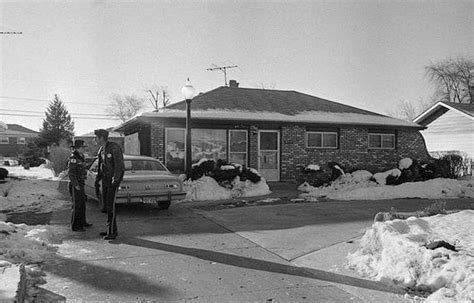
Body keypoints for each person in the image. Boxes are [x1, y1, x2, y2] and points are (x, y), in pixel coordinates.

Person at [94, 129, 124, 240]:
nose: (95, 139)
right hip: (105, 181)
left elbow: (119, 165)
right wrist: (97, 180)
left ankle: (112, 232)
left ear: (101, 137)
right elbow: (101, 166)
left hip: (112, 181)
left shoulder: (114, 148)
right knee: (107, 206)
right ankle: (110, 229)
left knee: (111, 207)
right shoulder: (101, 149)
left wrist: (115, 180)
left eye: (96, 137)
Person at [68, 139, 92, 231]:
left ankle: (82, 222)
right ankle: (76, 226)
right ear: (77, 148)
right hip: (76, 184)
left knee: (82, 204)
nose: (84, 149)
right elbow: (71, 173)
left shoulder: (81, 157)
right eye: (82, 147)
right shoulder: (73, 158)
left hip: (81, 182)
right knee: (77, 205)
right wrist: (76, 184)